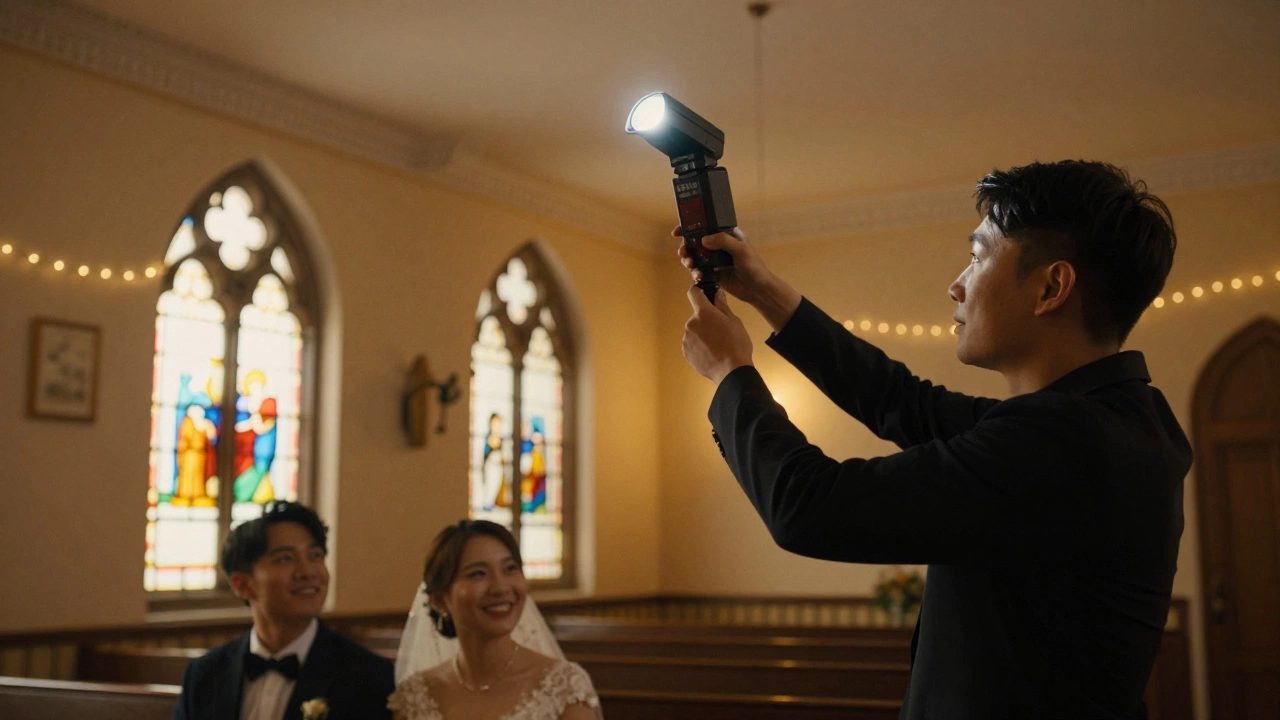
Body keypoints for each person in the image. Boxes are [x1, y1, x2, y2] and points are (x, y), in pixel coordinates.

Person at [679, 160, 1191, 719]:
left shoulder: (1064, 441)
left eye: (977, 257)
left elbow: (807, 507)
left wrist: (731, 372)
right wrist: (764, 291)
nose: (957, 284)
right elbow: (903, 402)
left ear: (1051, 286)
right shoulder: (1115, 420)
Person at [173, 501, 395, 720]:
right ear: (242, 585)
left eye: (315, 556)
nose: (307, 572)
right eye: (286, 558)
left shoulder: (368, 676)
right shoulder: (205, 674)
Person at [389, 519, 600, 719]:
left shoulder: (564, 688)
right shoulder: (416, 694)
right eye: (478, 574)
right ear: (439, 600)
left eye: (510, 569)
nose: (500, 588)